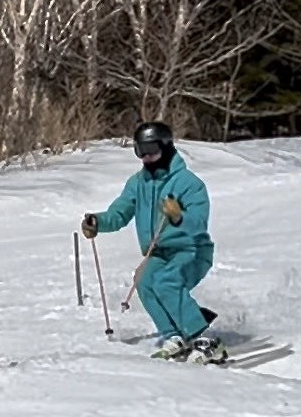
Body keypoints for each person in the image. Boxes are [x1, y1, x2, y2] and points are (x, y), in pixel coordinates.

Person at [81, 121, 225, 363]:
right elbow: (119, 213)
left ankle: (205, 339)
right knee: (144, 281)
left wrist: (178, 216)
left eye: (151, 150)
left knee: (166, 281)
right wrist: (98, 222)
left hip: (191, 250)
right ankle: (174, 335)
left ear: (166, 147)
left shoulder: (189, 183)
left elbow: (198, 223)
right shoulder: (138, 184)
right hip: (158, 252)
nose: (146, 157)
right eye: (140, 151)